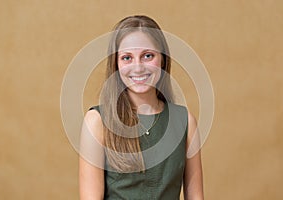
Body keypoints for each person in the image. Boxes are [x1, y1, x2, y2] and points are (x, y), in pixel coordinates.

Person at [79, 15, 204, 200]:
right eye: (127, 57)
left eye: (147, 56)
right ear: (116, 64)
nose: (137, 68)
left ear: (162, 59)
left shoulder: (185, 121)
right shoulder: (97, 121)